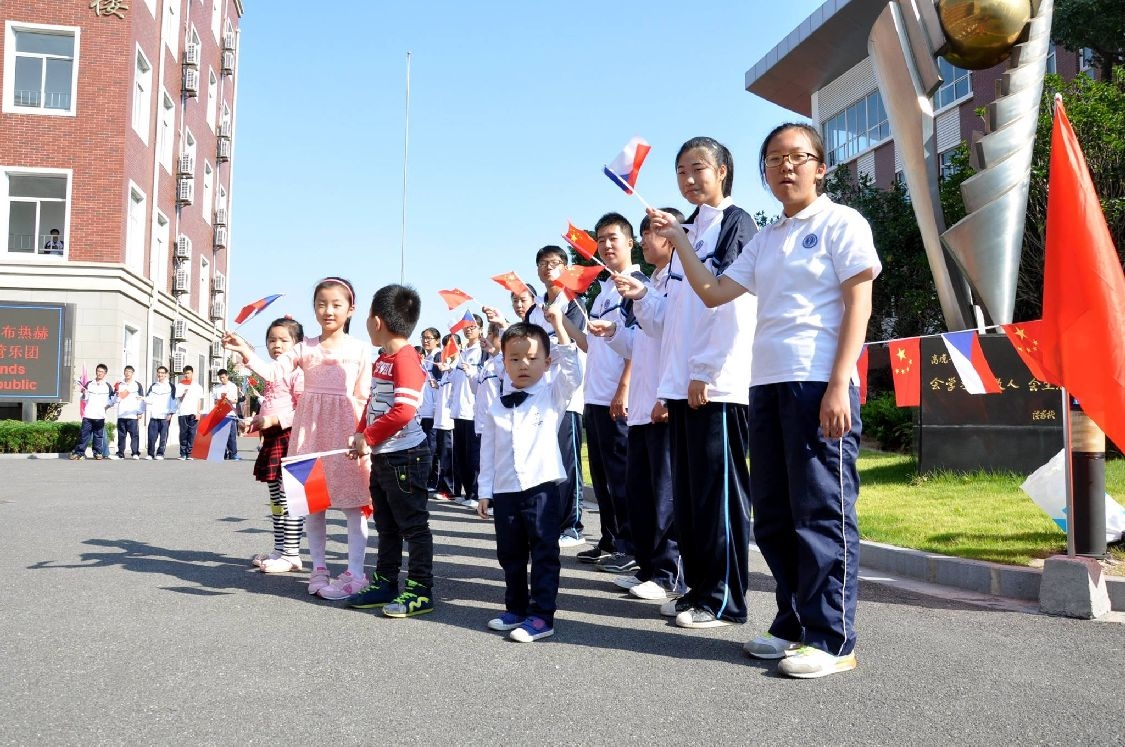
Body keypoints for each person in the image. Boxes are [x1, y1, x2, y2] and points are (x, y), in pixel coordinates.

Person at [657, 123, 879, 678]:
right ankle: (793, 624)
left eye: (798, 157)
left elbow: (859, 306)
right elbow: (712, 293)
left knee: (821, 512)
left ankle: (833, 638)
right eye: (775, 159)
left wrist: (838, 383)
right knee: (776, 517)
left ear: (820, 166)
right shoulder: (766, 237)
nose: (786, 167)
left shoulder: (841, 222)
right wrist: (681, 241)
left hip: (818, 382)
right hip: (767, 385)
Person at [615, 136, 757, 630]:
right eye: (680, 171)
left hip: (713, 386)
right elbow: (668, 321)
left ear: (723, 171)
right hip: (681, 386)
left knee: (717, 497)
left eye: (698, 168)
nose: (689, 178)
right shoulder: (687, 234)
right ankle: (698, 590)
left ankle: (724, 600)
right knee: (692, 499)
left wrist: (705, 371)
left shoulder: (736, 224)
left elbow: (732, 303)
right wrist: (639, 297)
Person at [224, 277, 372, 600]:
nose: (328, 311)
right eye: (321, 304)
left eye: (336, 305)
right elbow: (273, 373)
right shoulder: (304, 348)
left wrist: (363, 435)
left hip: (345, 435)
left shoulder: (361, 349)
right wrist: (245, 352)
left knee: (354, 506)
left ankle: (356, 572)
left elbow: (365, 397)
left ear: (351, 309)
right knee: (313, 504)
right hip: (308, 434)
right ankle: (318, 568)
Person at [591, 208, 687, 602]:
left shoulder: (673, 282)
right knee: (642, 491)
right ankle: (648, 566)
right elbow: (641, 342)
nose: (647, 239)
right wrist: (613, 331)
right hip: (644, 405)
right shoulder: (655, 283)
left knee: (665, 494)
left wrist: (665, 394)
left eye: (653, 232)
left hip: (661, 401)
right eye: (645, 232)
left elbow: (677, 341)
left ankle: (669, 574)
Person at [476, 302, 584, 642]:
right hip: (506, 491)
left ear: (547, 362)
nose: (524, 365)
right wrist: (484, 490)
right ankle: (516, 608)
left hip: (540, 489)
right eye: (515, 359)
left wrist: (559, 325)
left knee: (543, 552)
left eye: (533, 358)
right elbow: (488, 452)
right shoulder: (497, 405)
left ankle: (541, 615)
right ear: (504, 363)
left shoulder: (552, 395)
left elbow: (573, 373)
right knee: (509, 553)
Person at [346, 284, 435, 617]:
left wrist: (367, 437)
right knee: (386, 524)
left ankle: (421, 589)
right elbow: (372, 402)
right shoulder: (383, 359)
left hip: (405, 457)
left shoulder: (406, 358)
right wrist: (360, 435)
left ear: (378, 320)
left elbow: (404, 411)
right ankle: (385, 582)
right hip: (384, 455)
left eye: (368, 315)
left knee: (413, 525)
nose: (367, 322)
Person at [581, 213, 647, 574]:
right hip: (595, 395)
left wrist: (623, 388)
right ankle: (609, 539)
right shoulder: (603, 291)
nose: (606, 246)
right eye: (601, 240)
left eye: (613, 239)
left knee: (623, 478)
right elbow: (593, 347)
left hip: (619, 398)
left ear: (630, 242)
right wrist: (561, 324)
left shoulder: (635, 285)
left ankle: (630, 545)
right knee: (604, 477)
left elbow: (643, 342)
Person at [526, 246, 588, 549]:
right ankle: (550, 520)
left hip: (567, 393)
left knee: (568, 461)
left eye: (555, 263)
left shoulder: (574, 302)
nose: (548, 268)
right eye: (543, 263)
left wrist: (559, 321)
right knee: (544, 460)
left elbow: (582, 344)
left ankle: (573, 525)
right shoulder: (534, 309)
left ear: (565, 268)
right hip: (539, 397)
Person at [248, 317, 306, 574]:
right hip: (272, 437)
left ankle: (292, 553)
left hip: (291, 437)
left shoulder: (298, 372)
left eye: (284, 340)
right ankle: (279, 549)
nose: (277, 345)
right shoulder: (273, 373)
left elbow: (304, 409)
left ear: (297, 344)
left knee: (291, 497)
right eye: (272, 340)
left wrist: (274, 419)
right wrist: (256, 421)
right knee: (276, 499)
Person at [449, 313, 484, 509]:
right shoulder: (461, 353)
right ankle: (467, 492)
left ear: (480, 329)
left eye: (473, 326)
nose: (469, 329)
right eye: (466, 326)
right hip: (458, 410)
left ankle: (476, 493)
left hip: (472, 411)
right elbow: (455, 383)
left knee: (474, 455)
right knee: (461, 454)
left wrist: (471, 370)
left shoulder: (481, 351)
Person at [430, 334, 458, 499]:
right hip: (440, 420)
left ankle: (450, 489)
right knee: (442, 455)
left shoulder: (457, 367)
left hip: (450, 420)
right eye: (445, 347)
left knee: (449, 455)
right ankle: (442, 486)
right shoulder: (446, 371)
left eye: (451, 347)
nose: (447, 351)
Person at [69, 363, 113, 460]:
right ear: (96, 372)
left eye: (102, 371)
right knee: (84, 435)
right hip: (88, 414)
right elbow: (83, 399)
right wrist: (84, 394)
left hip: (100, 415)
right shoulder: (89, 384)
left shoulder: (107, 386)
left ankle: (97, 453)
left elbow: (112, 399)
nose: (99, 373)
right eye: (98, 371)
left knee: (98, 435)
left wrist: (107, 406)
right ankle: (79, 453)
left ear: (105, 373)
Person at [113, 365, 145, 459]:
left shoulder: (137, 385)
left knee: (134, 435)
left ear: (133, 373)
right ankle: (120, 453)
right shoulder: (119, 384)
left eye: (130, 371)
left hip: (132, 414)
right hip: (122, 414)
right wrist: (116, 395)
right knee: (121, 435)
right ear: (124, 372)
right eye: (126, 371)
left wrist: (140, 412)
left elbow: (141, 399)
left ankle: (135, 453)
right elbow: (115, 399)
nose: (127, 373)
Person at [144, 366, 176, 459]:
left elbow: (173, 401)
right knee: (151, 436)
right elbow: (149, 399)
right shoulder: (154, 386)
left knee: (163, 437)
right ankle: (150, 454)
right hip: (154, 415)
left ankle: (160, 453)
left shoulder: (171, 386)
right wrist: (143, 399)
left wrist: (171, 413)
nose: (160, 374)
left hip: (165, 416)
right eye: (159, 372)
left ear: (166, 374)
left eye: (162, 373)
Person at [174, 365, 205, 460]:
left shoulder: (197, 386)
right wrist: (183, 393)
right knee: (183, 433)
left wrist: (198, 412)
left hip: (193, 412)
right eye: (185, 373)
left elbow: (200, 400)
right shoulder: (179, 385)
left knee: (192, 433)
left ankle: (190, 453)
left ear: (192, 373)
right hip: (183, 412)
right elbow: (179, 398)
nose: (187, 375)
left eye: (189, 373)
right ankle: (183, 453)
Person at [210, 368, 241, 460]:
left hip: (230, 413)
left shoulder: (232, 386)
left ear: (227, 376)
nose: (222, 379)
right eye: (220, 378)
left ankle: (233, 454)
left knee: (231, 435)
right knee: (220, 435)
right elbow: (215, 401)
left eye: (223, 377)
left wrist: (228, 399)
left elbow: (235, 400)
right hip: (220, 414)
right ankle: (222, 453)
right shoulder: (216, 388)